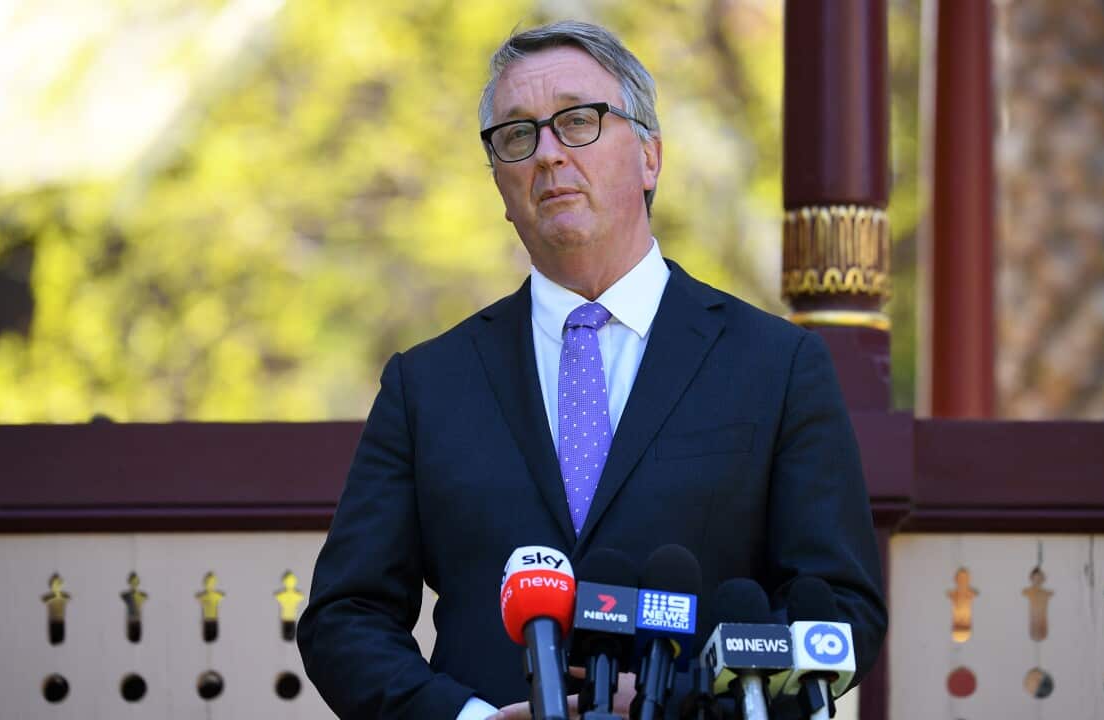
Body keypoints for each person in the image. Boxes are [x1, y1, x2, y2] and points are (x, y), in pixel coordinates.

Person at [297, 20, 885, 720]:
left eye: (577, 121)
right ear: (501, 186)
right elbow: (345, 616)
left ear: (649, 158)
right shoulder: (427, 384)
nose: (547, 154)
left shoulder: (776, 365)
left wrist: (687, 699)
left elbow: (840, 610)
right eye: (518, 135)